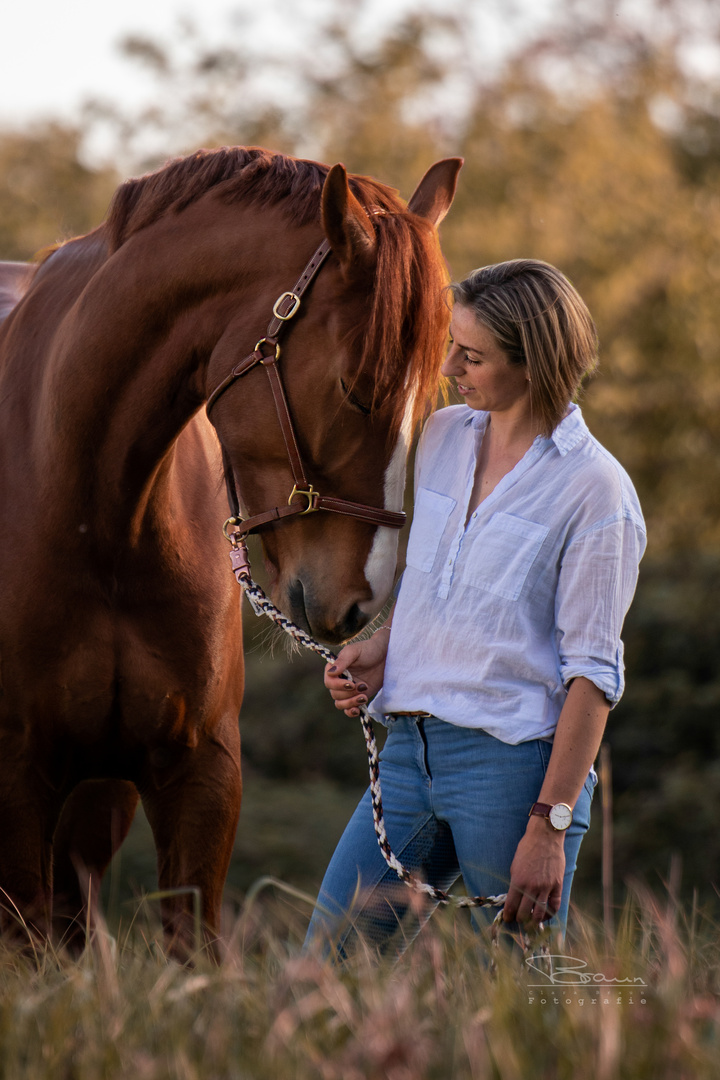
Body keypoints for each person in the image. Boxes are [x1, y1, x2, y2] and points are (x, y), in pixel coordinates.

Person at [304, 258, 646, 959]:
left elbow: (592, 677)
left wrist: (547, 830)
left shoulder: (595, 491)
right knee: (323, 972)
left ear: (535, 363)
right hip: (407, 757)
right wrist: (384, 646)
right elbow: (435, 586)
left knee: (522, 997)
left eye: (473, 356)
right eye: (451, 346)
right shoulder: (441, 438)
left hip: (514, 769)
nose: (448, 367)